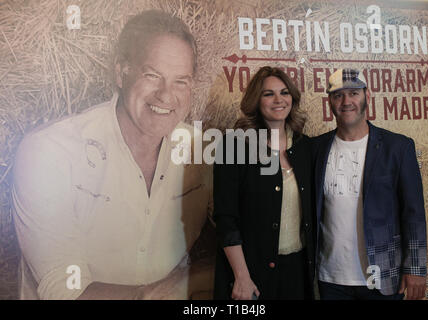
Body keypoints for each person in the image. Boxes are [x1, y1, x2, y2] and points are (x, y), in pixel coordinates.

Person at [12, 10, 214, 300]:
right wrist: (159, 293)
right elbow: (65, 290)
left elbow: (253, 240)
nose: (166, 95)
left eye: (181, 81)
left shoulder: (204, 151)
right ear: (121, 73)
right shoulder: (51, 151)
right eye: (152, 75)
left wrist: (179, 284)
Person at [312, 68, 427, 300]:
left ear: (367, 95)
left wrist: (415, 268)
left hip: (382, 278)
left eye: (353, 93)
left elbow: (413, 213)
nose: (346, 101)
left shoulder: (398, 148)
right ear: (330, 102)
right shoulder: (315, 149)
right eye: (338, 95)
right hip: (330, 279)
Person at [213, 66, 316, 300]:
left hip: (297, 272)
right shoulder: (235, 146)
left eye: (284, 92)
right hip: (251, 274)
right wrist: (242, 277)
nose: (278, 100)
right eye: (268, 94)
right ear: (256, 101)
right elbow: (225, 218)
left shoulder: (306, 147)